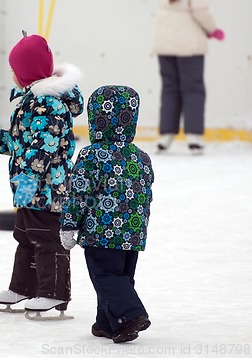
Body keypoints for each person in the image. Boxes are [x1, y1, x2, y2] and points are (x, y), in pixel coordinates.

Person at [0, 33, 84, 316]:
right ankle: (24, 287)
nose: (12, 74)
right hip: (30, 187)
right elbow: (23, 143)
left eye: (15, 69)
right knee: (25, 237)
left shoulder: (48, 104)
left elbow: (43, 149)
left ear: (26, 73)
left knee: (47, 239)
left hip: (47, 189)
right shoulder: (32, 101)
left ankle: (53, 293)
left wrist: (28, 178)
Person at [59, 85, 154, 343]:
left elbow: (78, 193)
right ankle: (108, 323)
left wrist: (68, 224)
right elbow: (146, 194)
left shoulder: (92, 155)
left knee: (105, 276)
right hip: (132, 234)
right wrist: (138, 229)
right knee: (120, 278)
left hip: (102, 233)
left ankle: (131, 314)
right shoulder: (141, 158)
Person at [153, 0, 225, 154]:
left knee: (170, 89)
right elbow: (200, 11)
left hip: (165, 45)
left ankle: (166, 136)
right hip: (189, 46)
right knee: (193, 89)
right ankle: (193, 136)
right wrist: (212, 29)